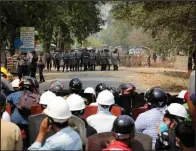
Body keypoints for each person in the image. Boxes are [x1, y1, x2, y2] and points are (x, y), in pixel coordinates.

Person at [7, 76, 40, 148]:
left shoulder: (14, 94)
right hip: (29, 121)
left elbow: (7, 104)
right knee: (29, 138)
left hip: (15, 120)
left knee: (14, 136)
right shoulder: (37, 96)